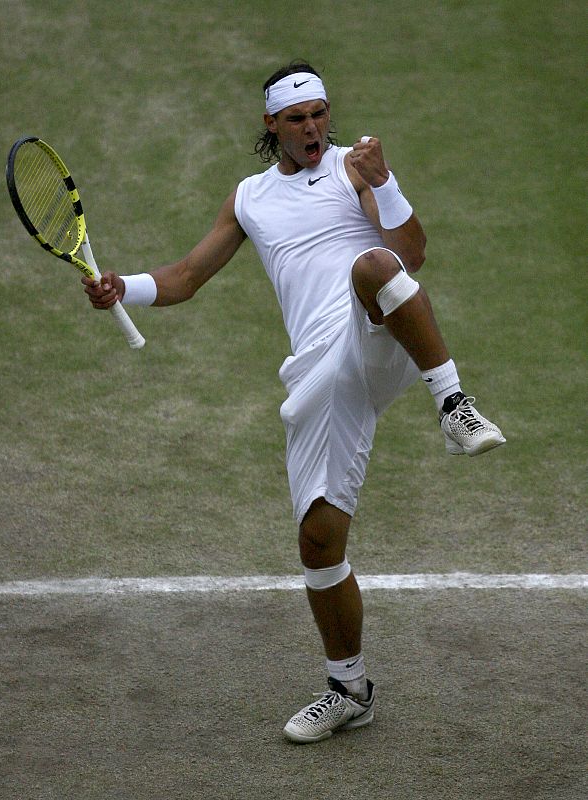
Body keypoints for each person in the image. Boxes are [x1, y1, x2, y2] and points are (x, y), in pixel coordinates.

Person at [83, 60, 505, 744]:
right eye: (297, 119)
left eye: (320, 114)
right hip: (320, 373)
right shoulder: (249, 198)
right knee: (318, 540)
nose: (313, 128)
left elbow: (411, 255)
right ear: (272, 125)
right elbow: (187, 276)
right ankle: (349, 689)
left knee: (372, 267)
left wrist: (385, 183)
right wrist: (120, 287)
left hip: (379, 332)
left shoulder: (353, 170)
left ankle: (454, 402)